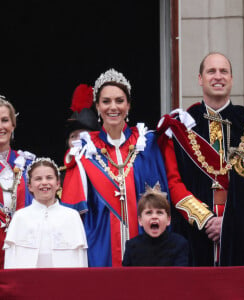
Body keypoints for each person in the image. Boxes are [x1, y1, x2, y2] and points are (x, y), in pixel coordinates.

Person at [157, 52, 244, 266]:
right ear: (200, 79)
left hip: (241, 233)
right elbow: (173, 183)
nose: (218, 76)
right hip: (194, 233)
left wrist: (229, 222)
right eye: (211, 71)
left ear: (231, 78)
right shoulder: (181, 125)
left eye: (224, 71)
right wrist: (206, 219)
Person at [61, 68, 169, 267]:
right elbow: (71, 216)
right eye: (106, 101)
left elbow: (162, 202)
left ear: (128, 105)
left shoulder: (147, 143)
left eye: (119, 101)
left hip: (147, 250)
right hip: (100, 250)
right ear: (97, 106)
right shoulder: (84, 150)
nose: (113, 107)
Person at [3, 157, 88, 268]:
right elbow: (10, 261)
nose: (44, 182)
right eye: (38, 179)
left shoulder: (72, 216)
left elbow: (81, 258)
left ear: (57, 184)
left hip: (64, 283)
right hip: (28, 283)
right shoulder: (20, 217)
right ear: (30, 186)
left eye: (49, 178)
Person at [0, 95, 35, 268]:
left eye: (5, 120)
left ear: (13, 125)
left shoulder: (28, 164)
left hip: (23, 246)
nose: (0, 126)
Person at [122, 184, 189, 266]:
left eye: (159, 212)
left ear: (168, 220)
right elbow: (126, 277)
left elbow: (182, 276)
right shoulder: (131, 246)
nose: (154, 216)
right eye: (149, 213)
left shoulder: (179, 244)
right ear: (140, 220)